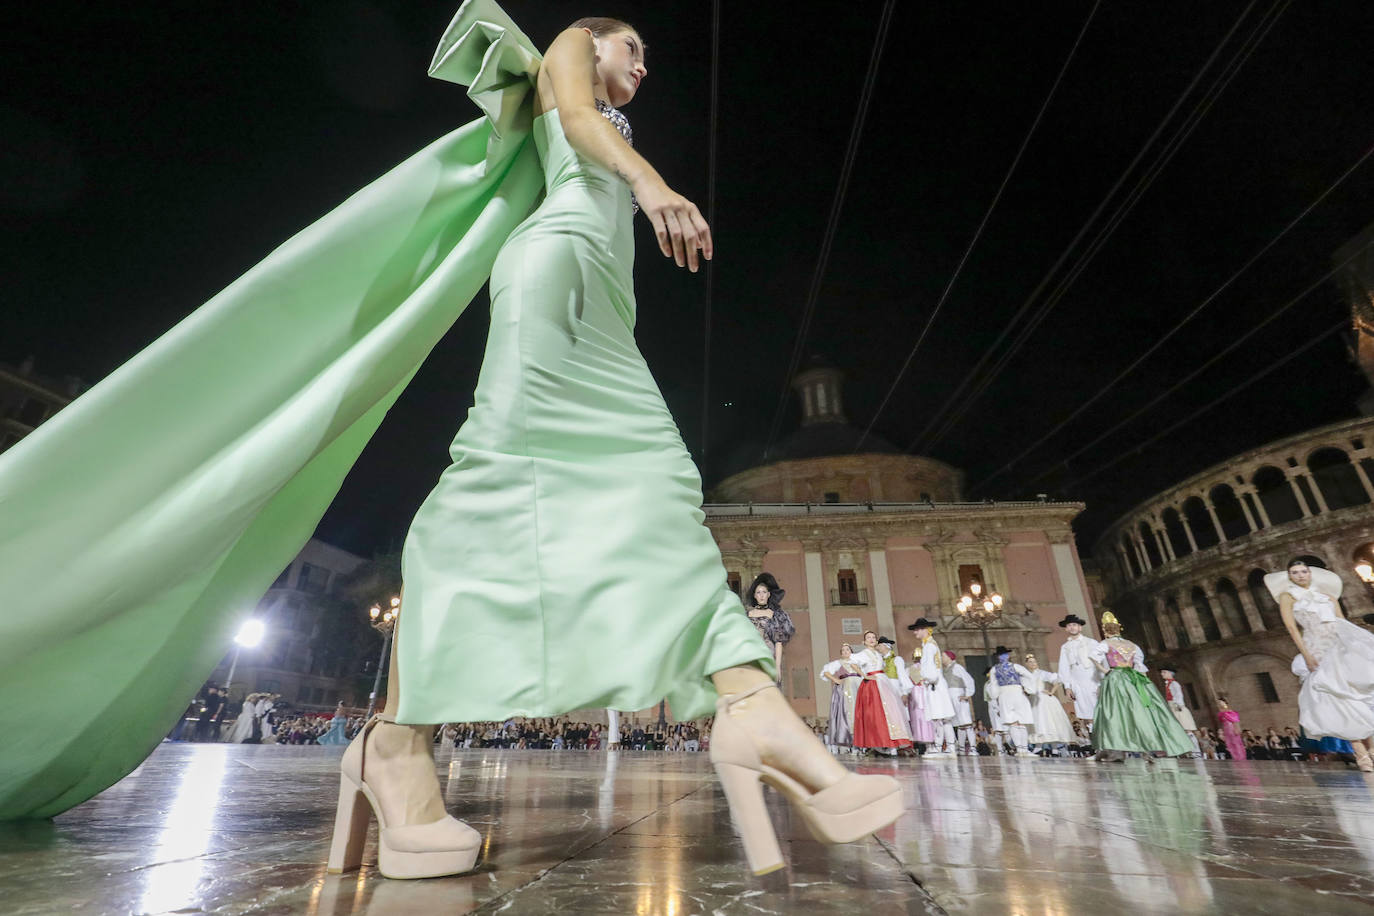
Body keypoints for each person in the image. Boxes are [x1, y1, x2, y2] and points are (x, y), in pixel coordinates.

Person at [1267, 559, 1374, 772]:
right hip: (1316, 647)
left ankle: (1372, 751)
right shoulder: (1288, 597)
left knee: (1360, 694)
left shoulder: (1327, 596)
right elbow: (1291, 627)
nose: (1300, 576)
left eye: (1303, 571)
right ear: (1289, 576)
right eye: (1295, 573)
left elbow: (1341, 621)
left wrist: (1355, 645)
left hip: (1338, 645)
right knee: (1335, 697)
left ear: (1310, 573)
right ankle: (1361, 754)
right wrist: (1306, 654)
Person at [1089, 612, 1192, 762]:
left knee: (1115, 712)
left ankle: (1117, 749)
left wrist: (1104, 670)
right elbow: (1139, 665)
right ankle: (1147, 748)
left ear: (1105, 631)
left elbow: (1093, 656)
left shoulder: (1105, 644)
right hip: (1133, 679)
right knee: (1141, 711)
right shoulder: (1132, 645)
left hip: (1116, 678)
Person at [851, 631, 915, 755]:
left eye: (873, 637)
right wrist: (865, 676)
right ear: (864, 642)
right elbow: (852, 662)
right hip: (873, 684)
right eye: (868, 638)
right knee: (877, 714)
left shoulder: (878, 654)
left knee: (890, 713)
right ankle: (880, 743)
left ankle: (892, 744)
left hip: (884, 683)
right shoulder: (864, 653)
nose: (871, 639)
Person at [907, 619, 956, 757]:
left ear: (925, 630)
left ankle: (940, 747)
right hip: (936, 684)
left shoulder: (929, 646)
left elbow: (930, 668)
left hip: (934, 685)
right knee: (943, 718)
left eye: (917, 629)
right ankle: (949, 748)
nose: (915, 632)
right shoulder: (929, 645)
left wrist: (926, 678)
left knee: (938, 717)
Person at [742, 573, 796, 682]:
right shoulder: (747, 615)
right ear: (754, 595)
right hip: (751, 657)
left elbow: (778, 642)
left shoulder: (775, 615)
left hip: (768, 656)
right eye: (758, 592)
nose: (761, 595)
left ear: (769, 595)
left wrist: (777, 667)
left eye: (764, 592)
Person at [1055, 614, 1102, 730]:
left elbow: (1100, 662)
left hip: (1092, 679)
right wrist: (1067, 687)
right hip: (1077, 681)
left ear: (1080, 627)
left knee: (1099, 708)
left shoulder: (1091, 643)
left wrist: (1101, 682)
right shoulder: (1065, 647)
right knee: (1085, 710)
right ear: (1066, 629)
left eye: (1074, 625)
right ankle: (1094, 738)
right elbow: (1064, 667)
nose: (1072, 627)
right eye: (1069, 625)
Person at [1022, 654, 1074, 755]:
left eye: (1035, 661)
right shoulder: (1026, 675)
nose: (1033, 664)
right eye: (1031, 662)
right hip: (1034, 700)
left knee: (1049, 721)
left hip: (1044, 699)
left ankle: (1054, 747)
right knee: (1038, 723)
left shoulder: (1041, 673)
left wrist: (1051, 692)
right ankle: (1038, 746)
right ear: (1027, 664)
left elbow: (1057, 680)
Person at [987, 647, 1034, 756]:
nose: (1004, 657)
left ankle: (1021, 749)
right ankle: (1022, 749)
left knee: (1015, 723)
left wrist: (996, 697)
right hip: (1015, 693)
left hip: (1007, 695)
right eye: (1002, 655)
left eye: (1005, 655)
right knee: (1018, 722)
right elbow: (1029, 676)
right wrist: (1028, 689)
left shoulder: (994, 669)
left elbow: (993, 686)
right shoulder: (1015, 667)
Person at [819, 644, 863, 751]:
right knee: (848, 712)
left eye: (847, 649)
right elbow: (825, 672)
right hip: (846, 689)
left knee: (860, 712)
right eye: (842, 650)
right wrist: (836, 680)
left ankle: (862, 742)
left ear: (851, 651)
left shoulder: (857, 663)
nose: (845, 651)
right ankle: (852, 741)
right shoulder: (838, 663)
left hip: (858, 687)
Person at [1159, 668, 1201, 757]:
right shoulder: (1168, 684)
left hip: (1177, 707)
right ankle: (1185, 751)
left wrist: (1178, 705)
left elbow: (1178, 695)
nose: (1162, 674)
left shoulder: (1174, 684)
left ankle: (1195, 751)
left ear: (1170, 673)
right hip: (1172, 707)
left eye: (1164, 672)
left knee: (1187, 729)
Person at [943, 651, 977, 755]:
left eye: (943, 656)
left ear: (949, 657)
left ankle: (973, 748)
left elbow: (969, 680)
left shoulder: (957, 667)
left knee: (966, 722)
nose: (942, 658)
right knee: (958, 723)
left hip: (958, 695)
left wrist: (967, 694)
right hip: (950, 697)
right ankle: (961, 748)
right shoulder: (945, 670)